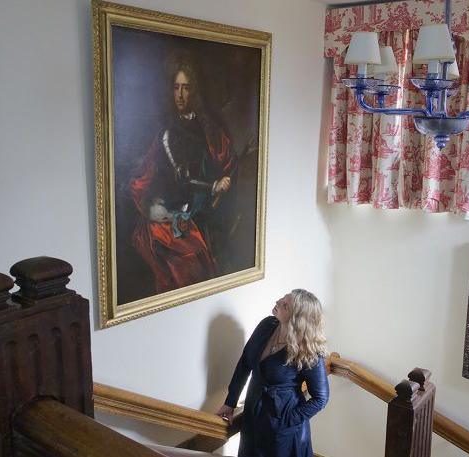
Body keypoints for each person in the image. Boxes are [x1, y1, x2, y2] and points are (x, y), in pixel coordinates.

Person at [130, 58, 235, 293]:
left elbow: (224, 161)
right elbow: (174, 178)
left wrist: (224, 180)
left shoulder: (207, 128)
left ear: (194, 91)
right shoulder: (166, 133)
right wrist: (152, 208)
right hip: (170, 215)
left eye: (186, 88)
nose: (180, 95)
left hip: (199, 211)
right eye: (176, 88)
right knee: (181, 257)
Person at [216, 290, 329, 457]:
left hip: (282, 426)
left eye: (285, 305)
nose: (278, 302)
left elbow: (321, 398)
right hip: (253, 414)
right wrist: (230, 402)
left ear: (296, 319)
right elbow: (245, 363)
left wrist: (287, 420)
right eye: (283, 298)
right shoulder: (267, 325)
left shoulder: (309, 351)